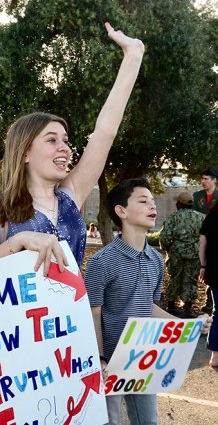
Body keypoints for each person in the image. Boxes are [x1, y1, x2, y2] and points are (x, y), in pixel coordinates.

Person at [0, 22, 145, 274]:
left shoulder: (72, 194)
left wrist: (133, 57)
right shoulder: (0, 206)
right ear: (25, 152)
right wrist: (16, 243)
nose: (64, 148)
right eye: (51, 140)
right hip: (21, 313)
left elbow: (105, 132)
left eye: (66, 140)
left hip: (69, 312)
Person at [84, 178, 211, 425]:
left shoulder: (155, 259)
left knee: (148, 421)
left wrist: (189, 326)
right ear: (121, 211)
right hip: (109, 363)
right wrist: (99, 358)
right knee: (109, 421)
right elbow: (94, 313)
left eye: (153, 201)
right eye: (143, 201)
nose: (152, 206)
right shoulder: (102, 262)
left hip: (143, 359)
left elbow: (149, 307)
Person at [159, 191, 204, 318]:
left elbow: (165, 237)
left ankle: (172, 306)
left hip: (176, 253)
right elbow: (205, 237)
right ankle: (188, 309)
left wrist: (168, 249)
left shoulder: (173, 217)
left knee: (175, 278)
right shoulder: (200, 217)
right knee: (191, 280)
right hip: (195, 254)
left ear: (179, 204)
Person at [193, 167, 218, 314]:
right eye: (202, 178)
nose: (203, 182)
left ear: (214, 180)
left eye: (206, 178)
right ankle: (191, 302)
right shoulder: (197, 196)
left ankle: (210, 302)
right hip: (199, 236)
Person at [199, 200, 218, 367]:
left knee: (217, 311)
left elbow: (202, 244)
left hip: (215, 271)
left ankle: (215, 356)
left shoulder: (210, 218)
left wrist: (203, 266)